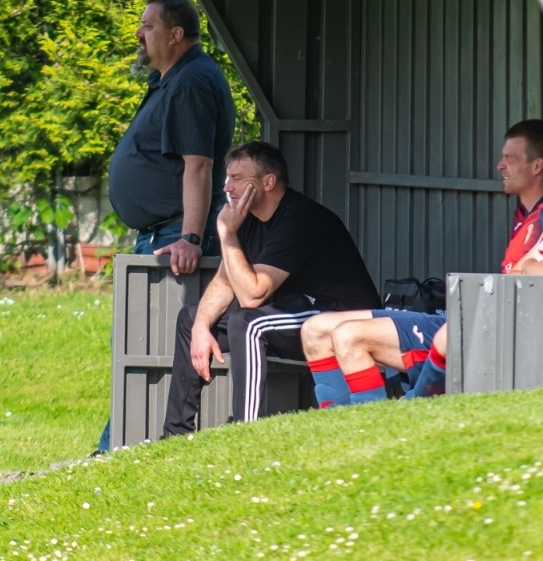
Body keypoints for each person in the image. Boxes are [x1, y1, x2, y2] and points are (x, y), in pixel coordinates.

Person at [301, 118, 543, 406]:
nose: (500, 165)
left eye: (509, 158)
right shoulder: (525, 213)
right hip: (464, 319)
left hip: (488, 331)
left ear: (537, 166)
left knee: (349, 335)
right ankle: (335, 421)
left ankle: (368, 422)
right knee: (314, 329)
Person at [162, 141, 380, 437]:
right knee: (191, 318)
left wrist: (226, 233)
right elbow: (225, 282)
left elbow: (253, 295)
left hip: (342, 319)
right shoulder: (247, 219)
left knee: (248, 322)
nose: (227, 187)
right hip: (298, 311)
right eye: (228, 178)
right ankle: (174, 435)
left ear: (268, 182)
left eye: (237, 178)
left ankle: (245, 434)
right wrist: (201, 327)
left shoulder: (299, 218)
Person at [98, 0, 235, 453]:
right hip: (165, 232)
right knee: (138, 343)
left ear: (176, 35)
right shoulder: (172, 78)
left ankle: (121, 447)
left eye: (148, 25)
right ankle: (116, 443)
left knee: (150, 342)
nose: (139, 33)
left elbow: (199, 164)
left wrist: (191, 237)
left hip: (175, 236)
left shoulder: (192, 81)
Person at [404, 115, 543, 398]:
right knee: (446, 335)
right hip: (527, 320)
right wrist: (538, 267)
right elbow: (515, 273)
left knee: (449, 336)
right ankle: (413, 401)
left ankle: (414, 402)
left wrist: (534, 265)